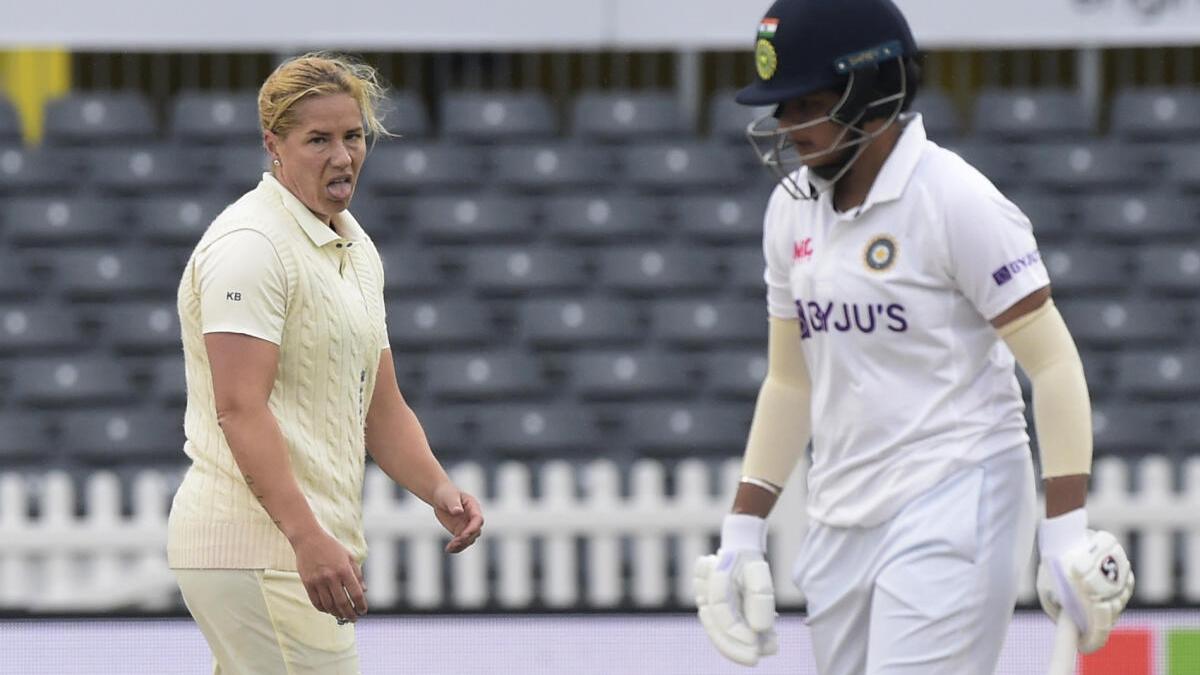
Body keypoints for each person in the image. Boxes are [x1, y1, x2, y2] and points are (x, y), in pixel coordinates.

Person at [693, 1, 1134, 673]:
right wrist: (742, 530)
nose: (785, 125)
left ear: (871, 94)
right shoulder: (790, 210)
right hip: (840, 511)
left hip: (958, 488)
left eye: (805, 102)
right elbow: (792, 379)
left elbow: (1053, 364)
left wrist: (1066, 531)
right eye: (779, 106)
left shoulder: (955, 199)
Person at [167, 52, 483, 675]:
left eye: (353, 136)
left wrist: (437, 488)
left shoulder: (354, 245)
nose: (343, 157)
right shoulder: (251, 247)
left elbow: (380, 403)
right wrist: (306, 538)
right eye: (319, 139)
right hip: (262, 553)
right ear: (273, 145)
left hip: (284, 555)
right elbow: (238, 407)